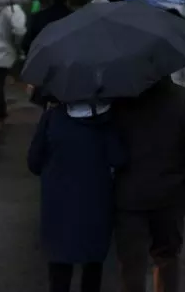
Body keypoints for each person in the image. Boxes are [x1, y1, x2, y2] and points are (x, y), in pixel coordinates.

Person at [112, 77, 185, 292]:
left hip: (129, 195)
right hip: (171, 193)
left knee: (131, 262)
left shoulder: (120, 100)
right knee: (166, 258)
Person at [28, 101, 124, 292]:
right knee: (93, 264)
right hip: (96, 205)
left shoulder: (52, 118)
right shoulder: (107, 121)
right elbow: (119, 158)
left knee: (59, 268)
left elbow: (34, 162)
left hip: (58, 205)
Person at [22, 0, 72, 109]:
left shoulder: (40, 16)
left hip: (44, 58)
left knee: (44, 93)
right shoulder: (72, 16)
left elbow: (28, 40)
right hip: (65, 59)